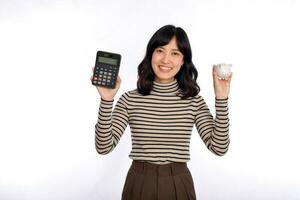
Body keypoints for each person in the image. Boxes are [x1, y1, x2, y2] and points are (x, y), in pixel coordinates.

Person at [91, 24, 232, 200]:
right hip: (139, 182)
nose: (166, 60)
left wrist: (221, 99)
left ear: (183, 60)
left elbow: (219, 148)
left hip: (178, 183)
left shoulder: (193, 100)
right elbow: (103, 147)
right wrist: (106, 100)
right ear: (151, 54)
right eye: (160, 50)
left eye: (175, 53)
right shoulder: (129, 99)